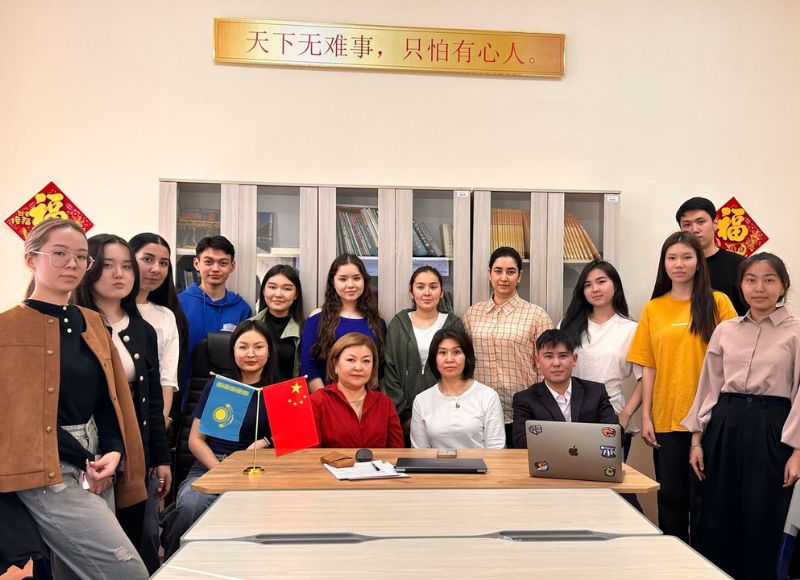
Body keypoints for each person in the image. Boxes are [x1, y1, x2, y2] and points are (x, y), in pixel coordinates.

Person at [0, 219, 148, 578]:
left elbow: (110, 399)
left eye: (81, 256)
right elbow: (15, 419)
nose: (72, 264)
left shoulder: (93, 322)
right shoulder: (7, 329)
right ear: (31, 259)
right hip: (44, 469)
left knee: (74, 574)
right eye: (60, 254)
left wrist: (113, 450)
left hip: (97, 463)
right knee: (127, 572)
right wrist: (83, 456)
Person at [683, 253, 800, 579]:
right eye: (751, 280)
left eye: (769, 280)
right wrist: (696, 440)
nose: (759, 288)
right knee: (718, 510)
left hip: (773, 426)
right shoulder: (725, 330)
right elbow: (709, 385)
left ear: (783, 285)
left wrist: (798, 452)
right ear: (740, 285)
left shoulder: (796, 332)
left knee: (765, 511)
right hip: (725, 423)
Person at [627, 231, 737, 543]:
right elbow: (648, 366)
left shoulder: (718, 302)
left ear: (699, 263)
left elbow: (735, 358)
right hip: (667, 418)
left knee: (708, 500)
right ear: (664, 264)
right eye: (672, 258)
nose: (679, 264)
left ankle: (708, 562)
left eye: (687, 257)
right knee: (671, 499)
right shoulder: (653, 309)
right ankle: (672, 560)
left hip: (710, 418)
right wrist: (646, 416)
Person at [72, 233, 172, 573]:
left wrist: (161, 458)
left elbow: (153, 400)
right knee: (89, 549)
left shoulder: (143, 330)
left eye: (127, 266)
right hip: (85, 453)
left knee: (134, 543)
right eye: (108, 265)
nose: (120, 274)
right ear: (89, 269)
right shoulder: (71, 325)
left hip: (134, 451)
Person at [162, 320, 275, 557]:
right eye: (243, 347)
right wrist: (223, 471)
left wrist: (265, 442)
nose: (251, 354)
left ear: (269, 351)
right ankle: (176, 563)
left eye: (258, 347)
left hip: (262, 469)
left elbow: (294, 439)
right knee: (192, 504)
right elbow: (196, 440)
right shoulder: (221, 386)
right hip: (213, 464)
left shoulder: (281, 389)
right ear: (232, 351)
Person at [463, 246, 554, 447]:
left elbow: (546, 368)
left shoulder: (536, 315)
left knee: (519, 465)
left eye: (511, 272)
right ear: (489, 274)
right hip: (478, 411)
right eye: (498, 271)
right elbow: (464, 362)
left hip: (522, 412)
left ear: (520, 276)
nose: (504, 278)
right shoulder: (472, 314)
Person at [560, 260, 642, 459]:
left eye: (601, 281)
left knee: (609, 477)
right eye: (588, 285)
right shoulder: (568, 324)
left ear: (615, 284)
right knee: (569, 477)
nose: (595, 289)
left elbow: (645, 379)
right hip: (569, 415)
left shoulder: (632, 329)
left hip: (611, 415)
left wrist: (625, 415)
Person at [384, 266, 464, 435]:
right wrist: (405, 416)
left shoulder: (453, 324)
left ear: (441, 292)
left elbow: (460, 371)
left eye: (433, 287)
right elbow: (390, 371)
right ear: (411, 293)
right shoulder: (398, 324)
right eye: (420, 287)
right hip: (403, 418)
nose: (427, 292)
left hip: (445, 416)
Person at [511, 329, 618, 449]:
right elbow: (521, 441)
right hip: (547, 460)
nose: (556, 363)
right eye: (548, 356)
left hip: (590, 459)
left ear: (574, 359)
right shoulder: (525, 399)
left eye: (563, 356)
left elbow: (615, 435)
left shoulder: (596, 392)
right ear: (537, 361)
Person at [178, 235, 252, 405]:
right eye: (209, 262)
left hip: (228, 396)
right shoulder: (179, 304)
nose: (215, 268)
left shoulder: (242, 309)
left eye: (223, 263)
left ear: (232, 266)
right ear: (197, 264)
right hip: (184, 392)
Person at [301, 254, 386, 392]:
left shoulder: (377, 322)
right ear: (333, 282)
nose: (350, 285)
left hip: (367, 400)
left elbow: (380, 370)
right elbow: (309, 368)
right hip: (327, 399)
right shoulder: (317, 318)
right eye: (343, 279)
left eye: (356, 278)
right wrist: (326, 401)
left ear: (364, 281)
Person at [129, 232, 189, 426]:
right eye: (148, 259)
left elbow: (167, 379)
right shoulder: (110, 310)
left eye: (163, 263)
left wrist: (160, 422)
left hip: (151, 416)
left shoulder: (166, 316)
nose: (156, 269)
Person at [410, 328, 504, 449]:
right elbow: (420, 452)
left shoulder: (488, 396)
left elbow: (496, 450)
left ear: (467, 356)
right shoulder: (421, 401)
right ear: (434, 358)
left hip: (481, 462)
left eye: (456, 352)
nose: (449, 359)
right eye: (442, 353)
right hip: (435, 462)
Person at [310, 333, 403, 448]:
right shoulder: (317, 401)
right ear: (335, 364)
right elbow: (308, 454)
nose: (358, 367)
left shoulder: (385, 404)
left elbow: (397, 451)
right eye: (351, 360)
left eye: (366, 361)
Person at [676, 197, 746, 314]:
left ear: (715, 224)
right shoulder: (677, 267)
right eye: (687, 224)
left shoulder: (739, 265)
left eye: (700, 222)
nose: (694, 229)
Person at [251, 264, 304, 381]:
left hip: (289, 391)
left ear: (296, 294)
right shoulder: (249, 326)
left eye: (287, 289)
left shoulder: (305, 330)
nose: (278, 294)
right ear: (263, 290)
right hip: (255, 390)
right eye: (272, 287)